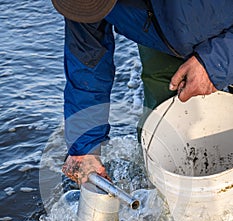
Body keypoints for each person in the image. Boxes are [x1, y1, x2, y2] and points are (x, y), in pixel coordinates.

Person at [51, 0, 233, 185]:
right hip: (161, 38)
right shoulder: (80, 4)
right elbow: (87, 65)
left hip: (223, 33)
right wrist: (84, 147)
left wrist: (216, 63)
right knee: (161, 142)